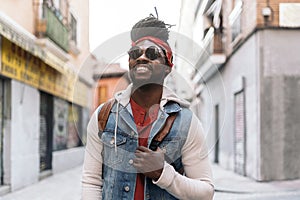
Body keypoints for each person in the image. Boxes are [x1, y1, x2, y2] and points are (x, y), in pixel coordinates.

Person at [82, 15, 214, 200]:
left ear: (168, 65)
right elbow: (91, 182)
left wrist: (163, 173)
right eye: (135, 53)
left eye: (152, 54)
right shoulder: (104, 116)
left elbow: (206, 193)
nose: (142, 58)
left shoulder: (186, 122)